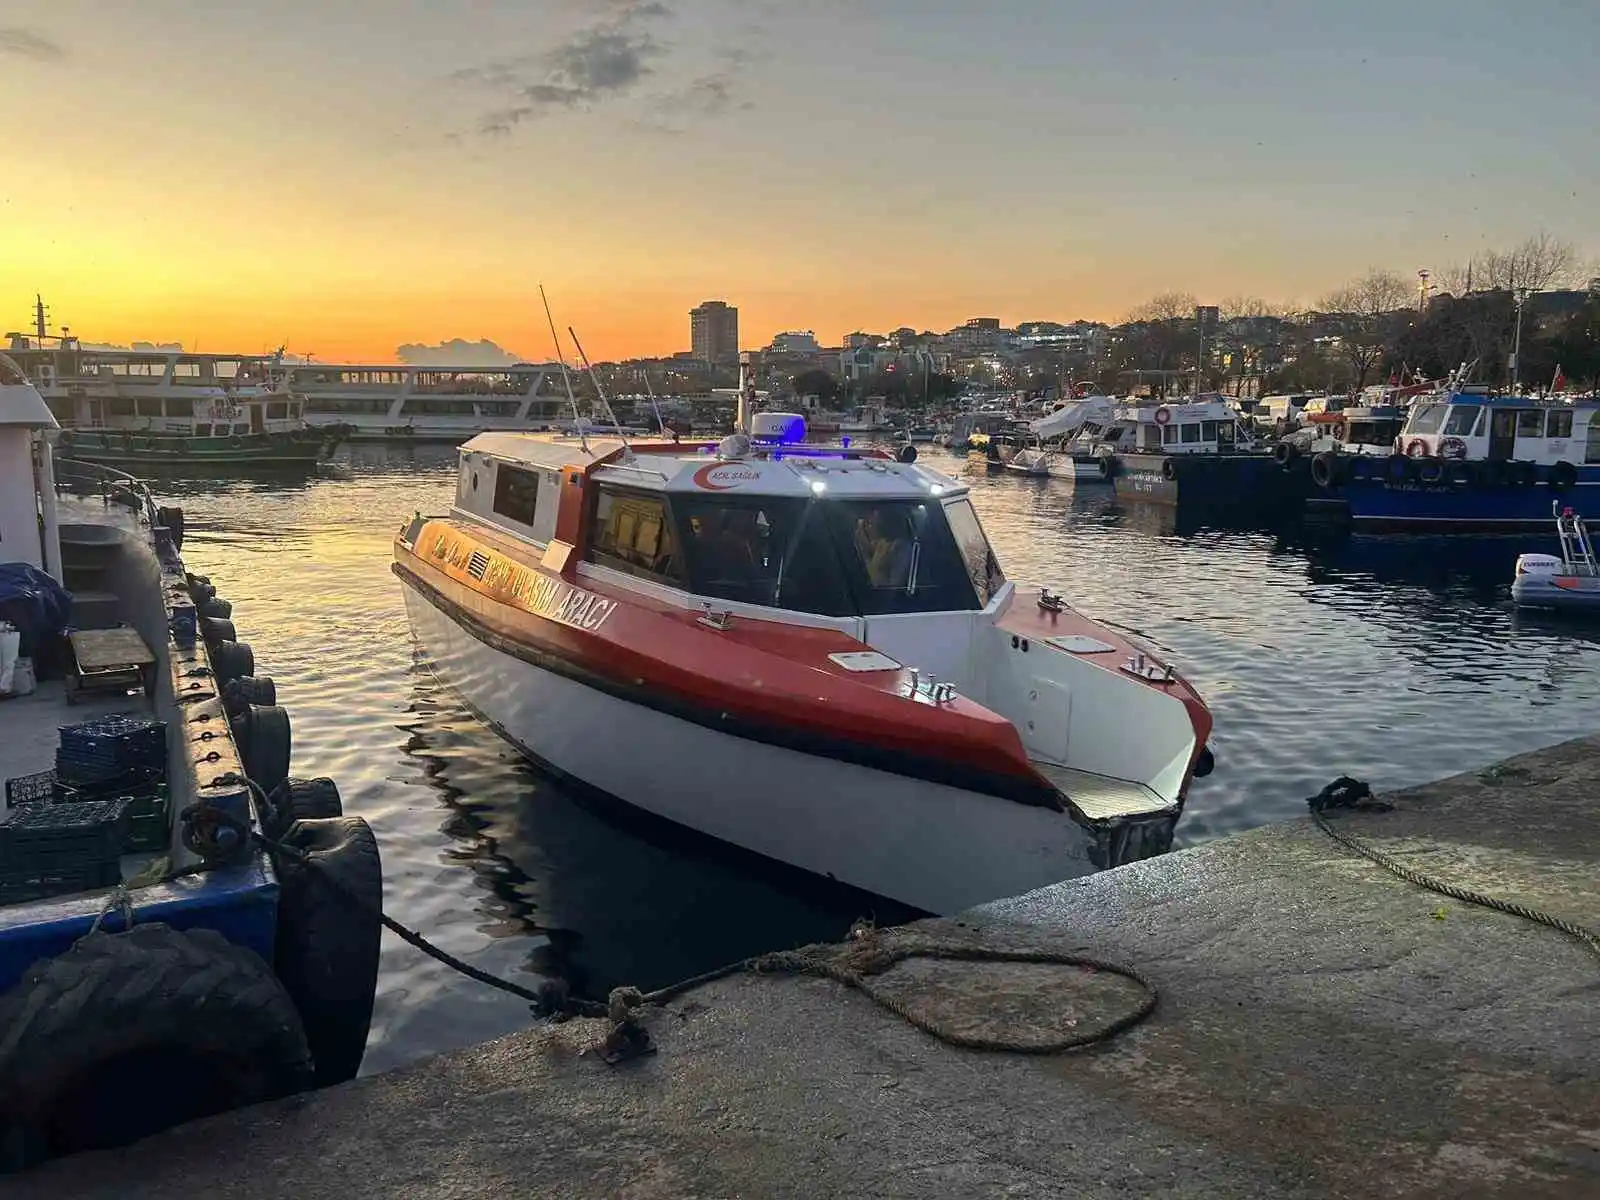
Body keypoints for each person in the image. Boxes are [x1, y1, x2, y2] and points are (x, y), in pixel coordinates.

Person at [863, 508, 912, 589]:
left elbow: (892, 587)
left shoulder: (900, 548)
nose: (870, 525)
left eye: (870, 523)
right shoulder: (880, 544)